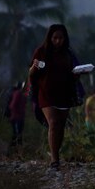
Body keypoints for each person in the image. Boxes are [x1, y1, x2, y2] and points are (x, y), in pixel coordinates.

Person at [29, 24, 82, 169]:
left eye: (61, 38)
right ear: (50, 38)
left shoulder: (68, 54)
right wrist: (34, 68)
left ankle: (56, 154)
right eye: (55, 38)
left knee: (60, 125)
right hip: (46, 94)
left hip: (64, 94)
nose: (58, 41)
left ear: (65, 39)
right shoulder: (41, 52)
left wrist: (78, 74)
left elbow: (73, 75)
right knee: (53, 123)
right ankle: (54, 159)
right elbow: (32, 74)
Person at [7, 82, 27, 149]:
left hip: (20, 117)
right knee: (17, 134)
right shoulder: (17, 93)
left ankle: (15, 150)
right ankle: (14, 149)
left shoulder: (21, 94)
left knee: (18, 134)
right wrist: (18, 113)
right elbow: (12, 106)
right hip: (16, 118)